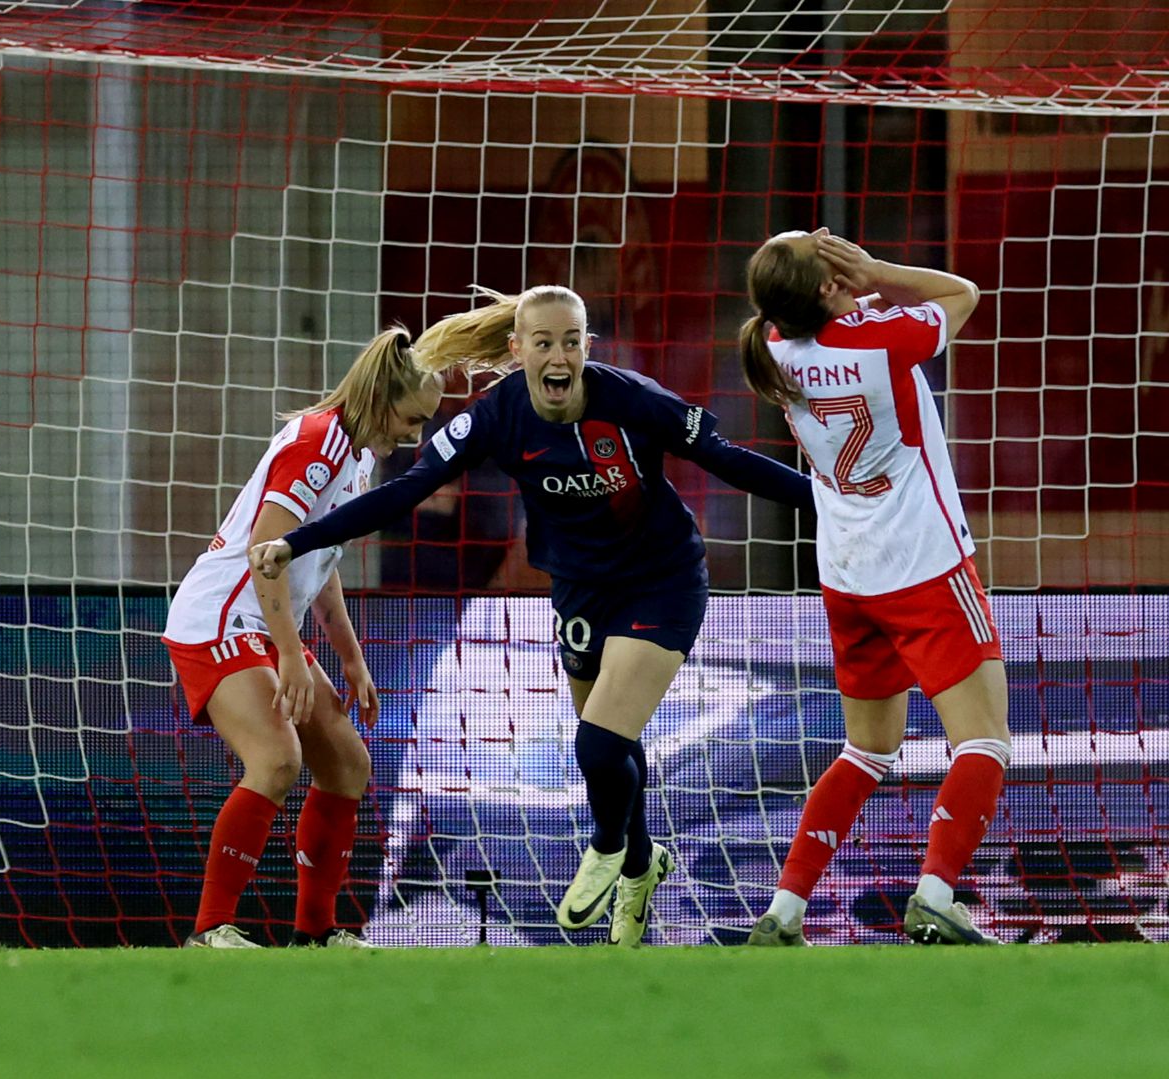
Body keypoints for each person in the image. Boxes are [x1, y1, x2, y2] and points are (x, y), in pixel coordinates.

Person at [251, 285, 814, 946]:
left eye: (570, 342)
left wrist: (831, 508)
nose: (558, 355)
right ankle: (641, 864)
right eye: (542, 342)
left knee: (599, 744)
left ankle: (606, 848)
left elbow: (729, 461)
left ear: (585, 349)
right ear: (517, 351)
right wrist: (298, 541)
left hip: (661, 582)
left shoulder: (632, 400)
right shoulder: (494, 418)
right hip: (579, 590)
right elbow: (405, 493)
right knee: (612, 752)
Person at [737, 229, 1008, 946]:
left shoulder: (770, 346)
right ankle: (937, 894)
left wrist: (850, 286)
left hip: (846, 575)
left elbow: (819, 321)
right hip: (923, 565)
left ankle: (785, 911)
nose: (840, 247)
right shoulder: (884, 341)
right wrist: (879, 269)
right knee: (984, 741)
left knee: (867, 750)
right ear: (828, 286)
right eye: (827, 251)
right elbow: (963, 294)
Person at [163, 325, 443, 947]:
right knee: (279, 758)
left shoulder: (360, 456)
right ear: (379, 397)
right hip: (221, 616)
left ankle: (315, 936)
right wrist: (290, 655)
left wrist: (348, 657)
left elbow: (318, 560)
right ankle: (210, 932)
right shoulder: (318, 444)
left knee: (347, 763)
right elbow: (268, 553)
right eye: (411, 418)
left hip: (267, 620)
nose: (414, 436)